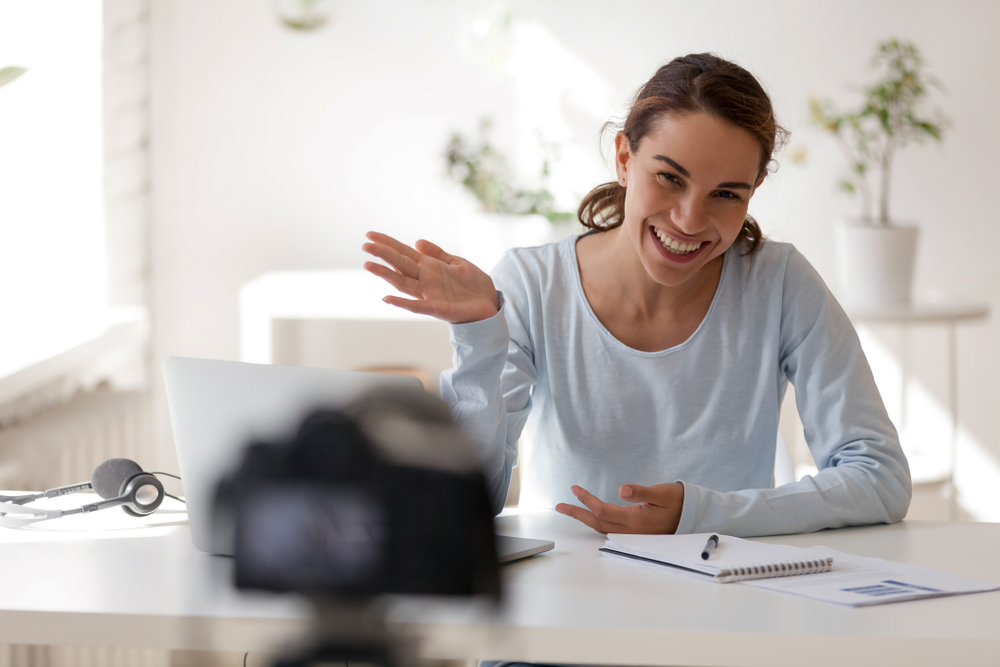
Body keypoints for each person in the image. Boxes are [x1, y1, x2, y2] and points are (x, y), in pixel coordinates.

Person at [361, 53, 911, 537]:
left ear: (754, 190)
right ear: (624, 158)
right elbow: (461, 510)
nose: (690, 219)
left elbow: (879, 479)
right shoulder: (532, 283)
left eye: (725, 193)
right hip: (560, 624)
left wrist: (703, 513)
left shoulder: (781, 283)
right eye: (670, 178)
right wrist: (480, 337)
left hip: (722, 623)